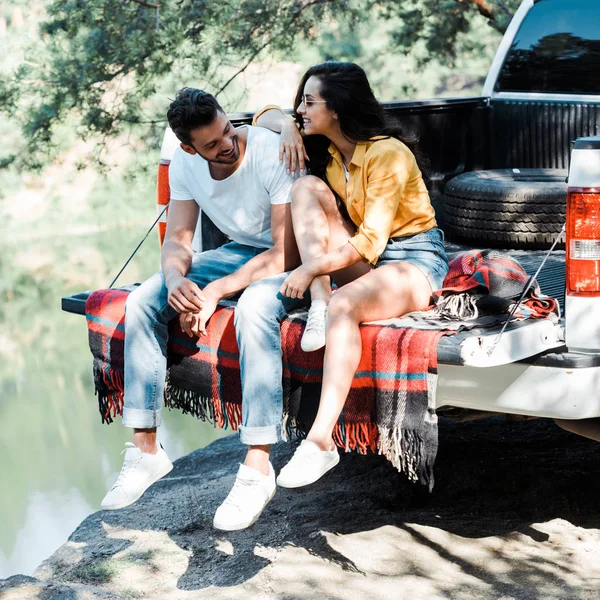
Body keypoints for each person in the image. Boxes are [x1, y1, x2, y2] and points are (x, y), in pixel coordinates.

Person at [100, 87, 305, 531]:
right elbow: (178, 238)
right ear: (189, 147)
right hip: (241, 251)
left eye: (227, 131)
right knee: (141, 301)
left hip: (296, 255)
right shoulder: (184, 164)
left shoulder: (270, 152)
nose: (227, 144)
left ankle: (256, 467)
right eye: (212, 144)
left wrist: (214, 293)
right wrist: (178, 280)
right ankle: (146, 451)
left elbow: (284, 254)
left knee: (252, 308)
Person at [253, 62, 450, 488]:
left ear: (337, 108)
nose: (302, 110)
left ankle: (321, 441)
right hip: (370, 261)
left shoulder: (387, 154)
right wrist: (287, 124)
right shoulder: (329, 155)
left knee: (348, 304)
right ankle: (321, 302)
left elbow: (370, 243)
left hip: (414, 261)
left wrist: (308, 269)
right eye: (301, 103)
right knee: (304, 187)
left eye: (309, 103)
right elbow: (256, 116)